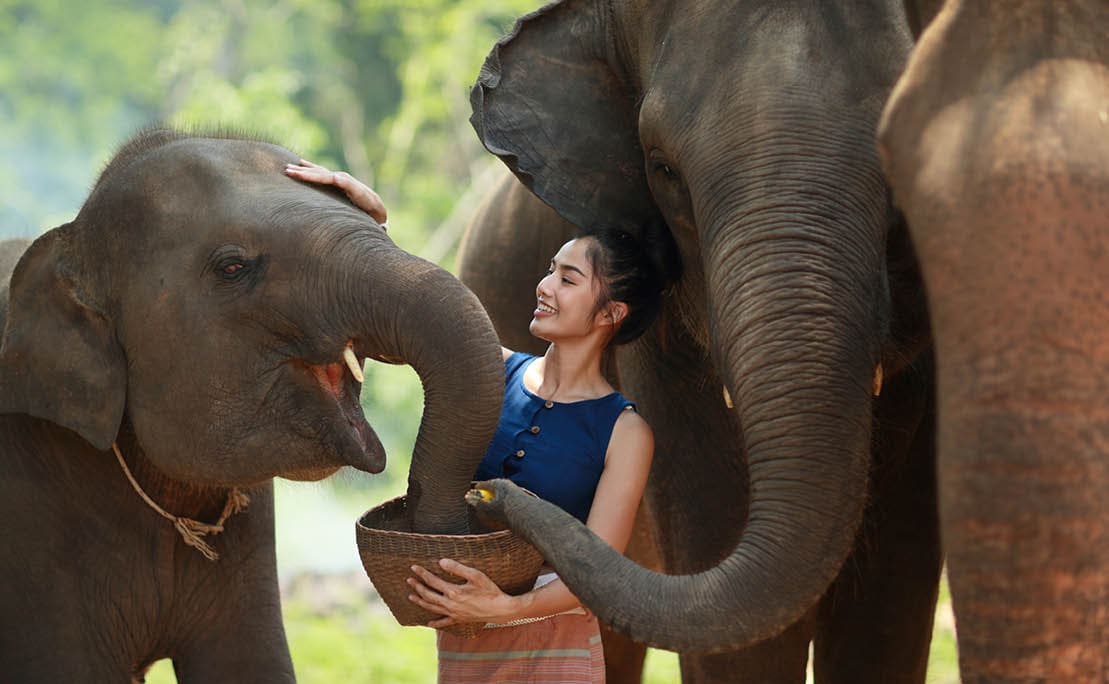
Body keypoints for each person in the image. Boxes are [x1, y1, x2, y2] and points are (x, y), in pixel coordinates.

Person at [285, 160, 678, 683]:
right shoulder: (493, 370)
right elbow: (408, 311)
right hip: (466, 643)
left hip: (554, 653)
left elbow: (598, 573)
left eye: (568, 278)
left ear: (610, 313)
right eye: (549, 270)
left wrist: (502, 609)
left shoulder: (625, 432)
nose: (545, 286)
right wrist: (370, 219)